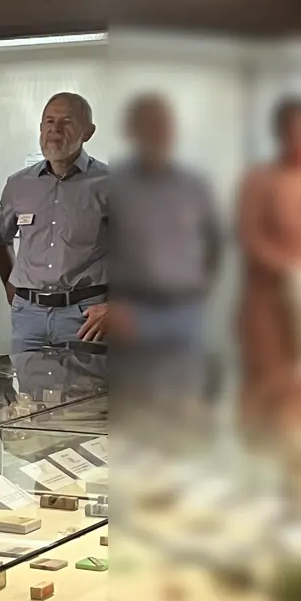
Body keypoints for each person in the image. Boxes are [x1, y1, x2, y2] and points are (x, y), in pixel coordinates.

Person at [113, 93, 221, 402]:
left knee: (184, 402)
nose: (157, 132)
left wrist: (203, 287)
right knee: (137, 405)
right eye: (148, 125)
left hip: (185, 312)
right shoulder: (116, 186)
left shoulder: (195, 185)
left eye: (163, 124)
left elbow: (215, 241)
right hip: (133, 312)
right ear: (132, 131)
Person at [0, 92, 110, 351]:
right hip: (28, 317)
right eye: (49, 121)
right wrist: (10, 286)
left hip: (85, 318)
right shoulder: (18, 184)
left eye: (67, 122)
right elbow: (1, 240)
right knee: (28, 390)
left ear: (88, 132)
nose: (55, 130)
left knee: (87, 391)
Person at [238, 98, 301, 420]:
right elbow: (249, 237)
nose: (300, 140)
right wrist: (289, 271)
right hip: (269, 304)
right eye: (293, 133)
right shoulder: (260, 179)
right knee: (270, 387)